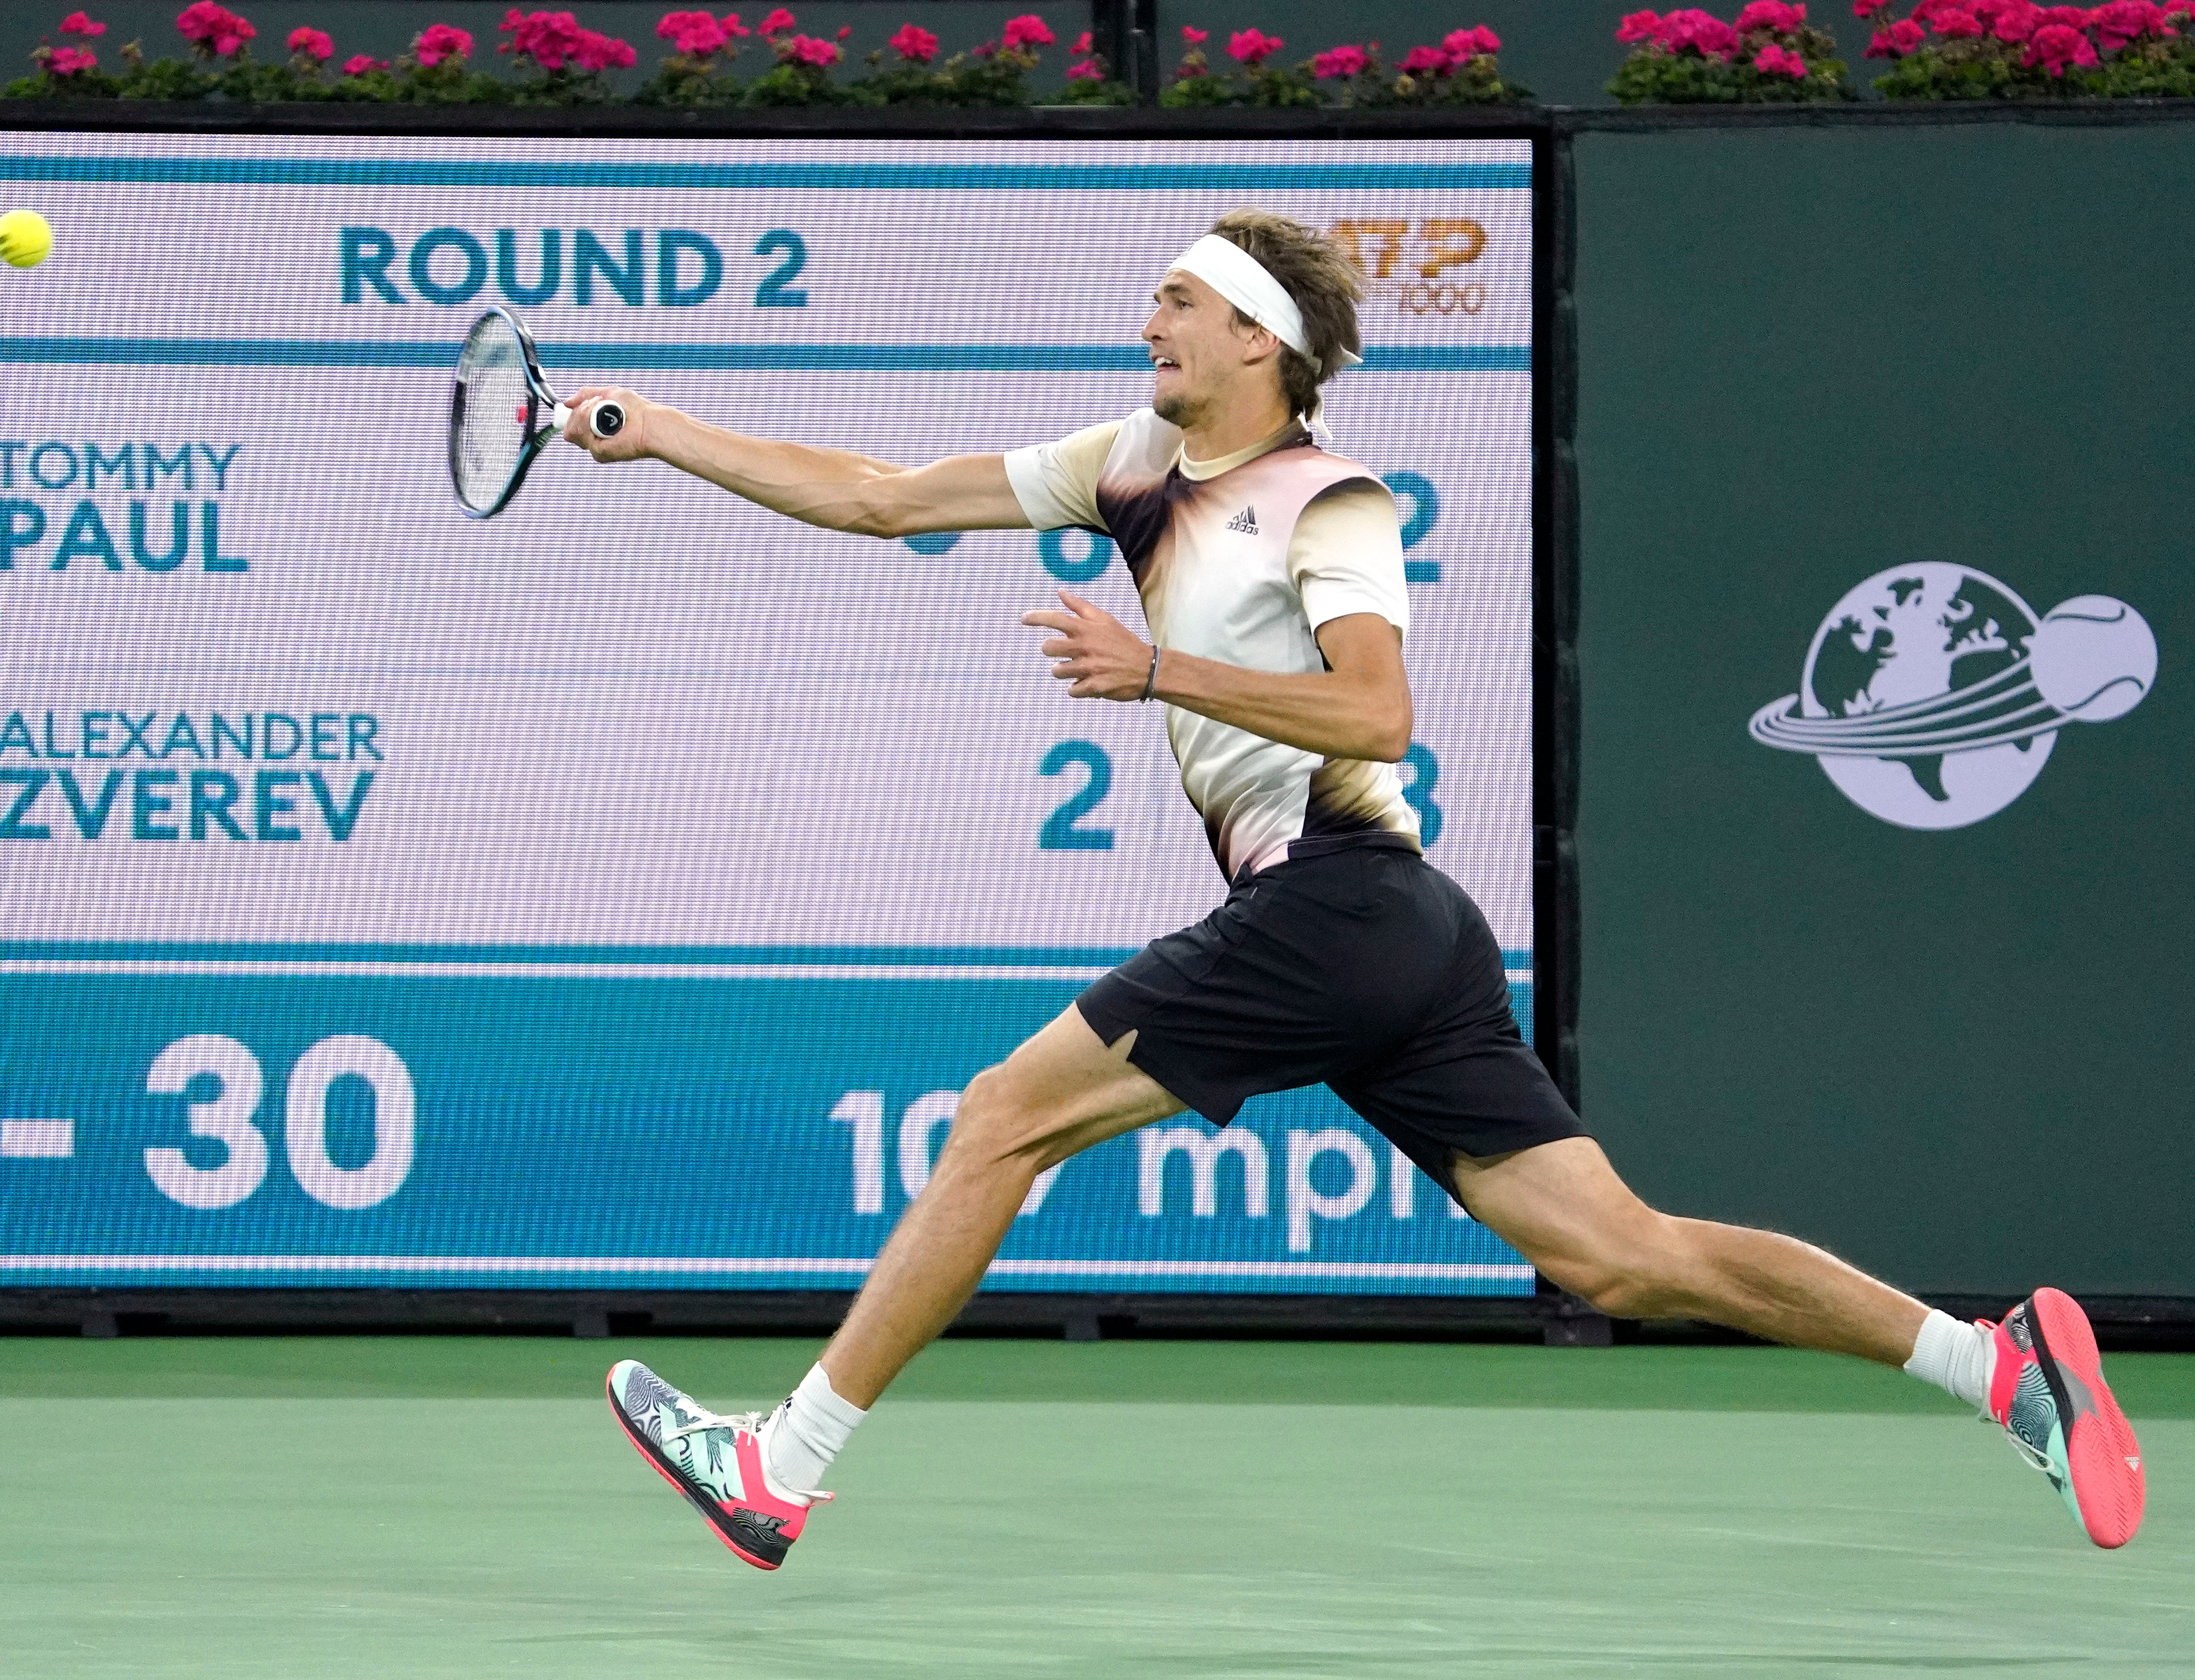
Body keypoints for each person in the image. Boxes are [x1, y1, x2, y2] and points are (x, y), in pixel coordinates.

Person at [567, 210, 2145, 1568]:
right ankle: (1997, 1368)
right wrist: (661, 432)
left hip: (1334, 900)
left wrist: (1155, 667)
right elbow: (884, 497)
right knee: (1615, 1253)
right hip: (1398, 930)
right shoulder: (1131, 464)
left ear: (1257, 337)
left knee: (999, 1117)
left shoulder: (1332, 501)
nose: (1150, 323)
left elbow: (1378, 714)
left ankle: (789, 1462)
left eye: (1178, 303)